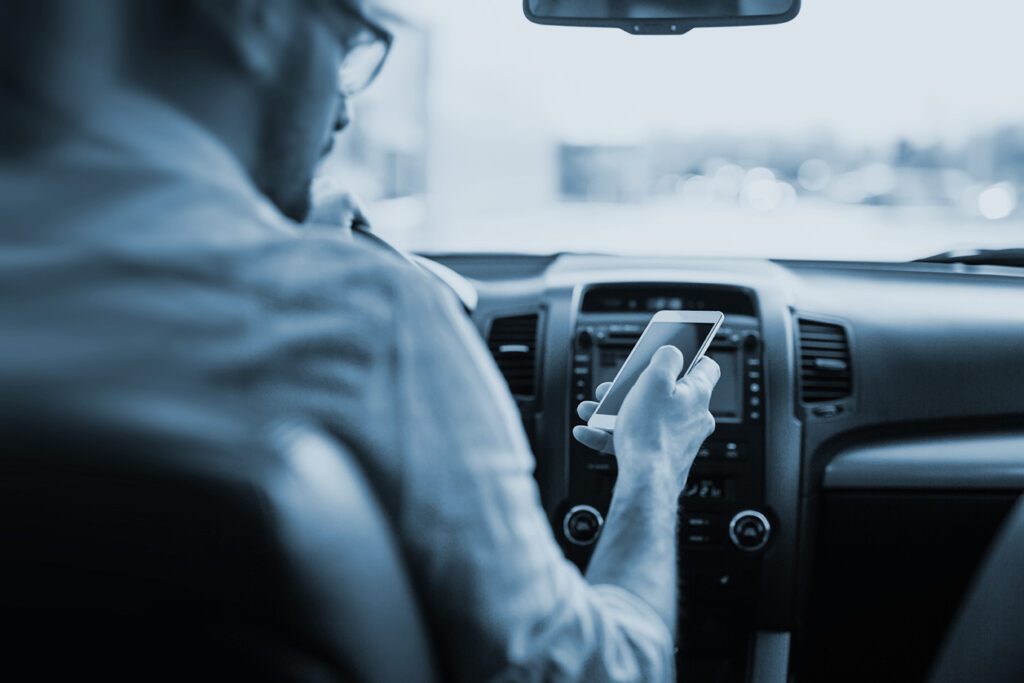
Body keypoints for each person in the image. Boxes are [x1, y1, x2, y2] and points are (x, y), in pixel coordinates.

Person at [0, 0, 720, 680]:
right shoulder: (363, 315)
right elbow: (602, 671)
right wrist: (652, 464)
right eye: (347, 49)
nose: (344, 111)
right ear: (259, 17)